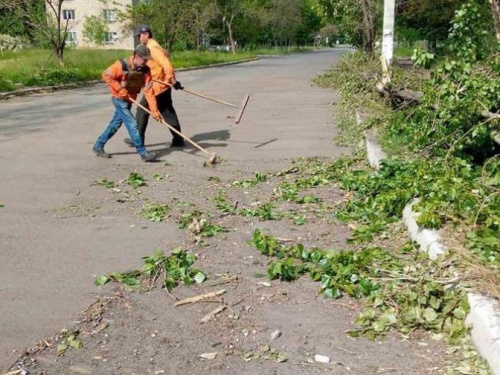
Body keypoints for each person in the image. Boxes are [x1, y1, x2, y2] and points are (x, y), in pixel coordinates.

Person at [93, 45, 161, 162]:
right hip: (119, 99)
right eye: (144, 59)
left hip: (130, 99)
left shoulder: (145, 70)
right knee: (132, 124)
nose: (145, 62)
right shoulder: (121, 65)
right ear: (136, 56)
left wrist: (154, 110)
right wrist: (120, 89)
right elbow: (106, 75)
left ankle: (98, 146)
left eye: (147, 60)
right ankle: (143, 153)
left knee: (114, 125)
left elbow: (149, 91)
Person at [124, 24, 185, 148]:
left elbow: (166, 64)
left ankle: (137, 139)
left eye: (140, 35)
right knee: (168, 113)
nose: (139, 38)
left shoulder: (153, 47)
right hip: (163, 86)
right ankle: (178, 139)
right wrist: (172, 81)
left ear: (146, 34)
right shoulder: (153, 45)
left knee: (141, 111)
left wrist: (172, 80)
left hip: (157, 86)